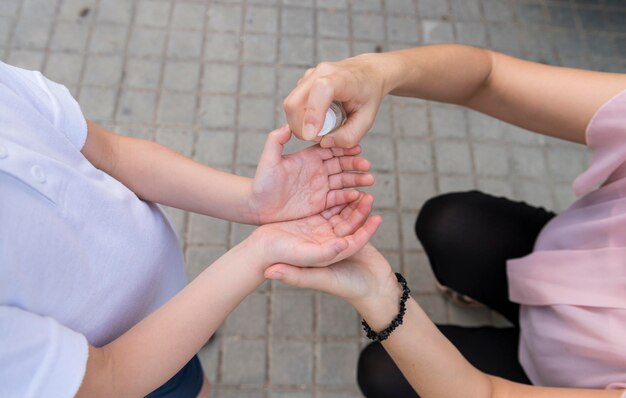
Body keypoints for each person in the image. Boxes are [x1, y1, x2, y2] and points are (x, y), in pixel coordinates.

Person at [0, 60, 382, 397]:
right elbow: (109, 379)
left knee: (190, 346)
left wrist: (254, 202)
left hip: (169, 299)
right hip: (121, 368)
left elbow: (112, 153)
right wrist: (259, 251)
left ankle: (195, 329)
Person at [280, 44, 626, 397]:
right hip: (555, 260)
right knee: (450, 224)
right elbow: (488, 77)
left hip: (556, 382)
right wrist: (375, 71)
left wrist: (381, 296)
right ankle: (499, 298)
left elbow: (486, 393)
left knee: (383, 372)